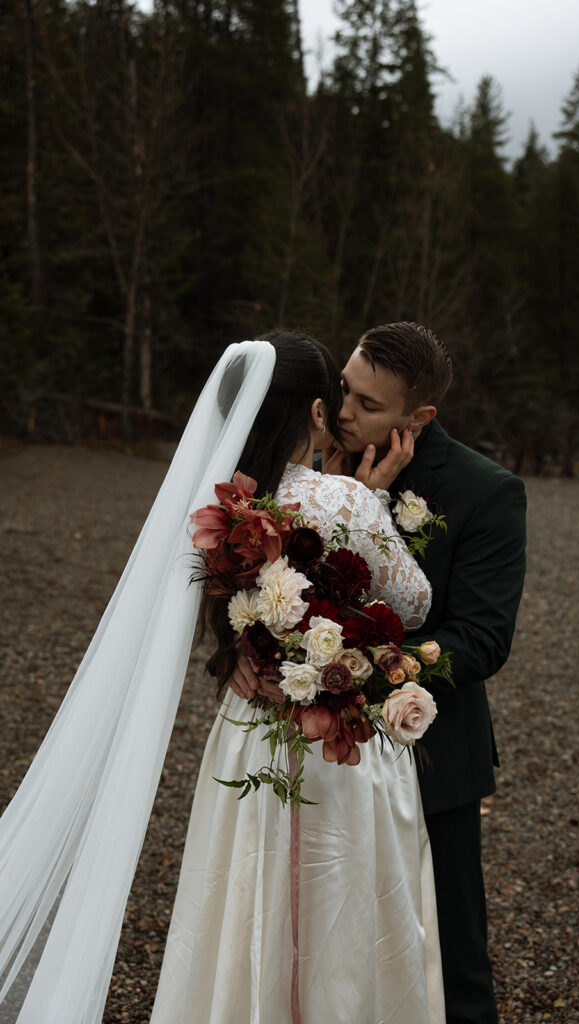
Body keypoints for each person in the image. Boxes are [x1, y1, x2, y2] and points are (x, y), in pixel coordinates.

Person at [0, 331, 445, 1023]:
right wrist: (369, 499)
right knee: (339, 917)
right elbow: (414, 602)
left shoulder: (218, 509)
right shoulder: (344, 501)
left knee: (242, 907)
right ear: (317, 413)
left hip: (246, 732)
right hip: (329, 741)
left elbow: (209, 608)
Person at [230, 322, 527, 1024]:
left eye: (368, 405)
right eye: (343, 391)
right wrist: (249, 651)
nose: (343, 413)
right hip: (312, 755)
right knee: (314, 947)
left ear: (418, 417)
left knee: (446, 956)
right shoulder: (300, 470)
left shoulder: (487, 491)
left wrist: (357, 672)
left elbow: (480, 640)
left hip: (428, 752)